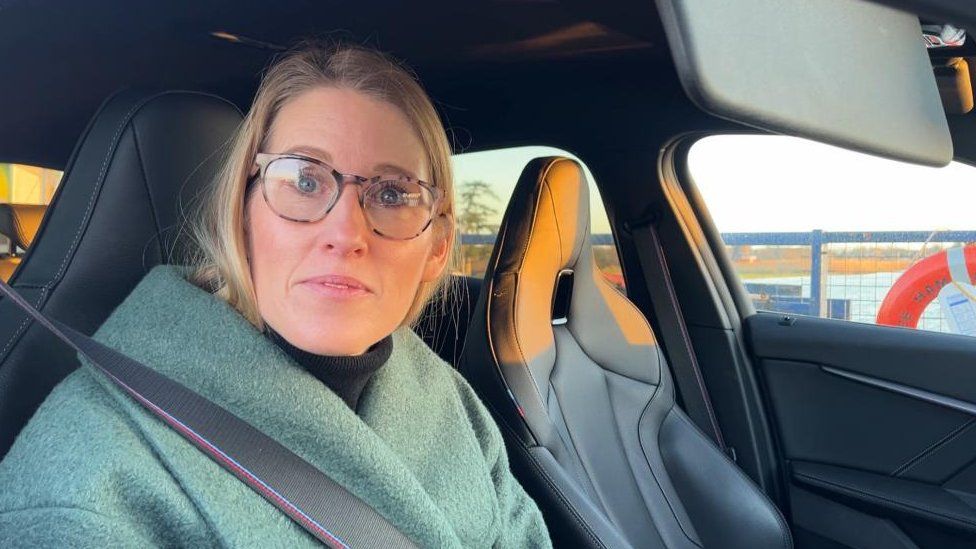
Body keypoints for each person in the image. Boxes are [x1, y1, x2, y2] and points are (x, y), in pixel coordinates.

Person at [0, 44, 552, 548]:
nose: (346, 232)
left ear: (436, 248)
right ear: (240, 216)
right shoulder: (90, 468)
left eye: (391, 193)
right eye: (304, 180)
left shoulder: (448, 399)